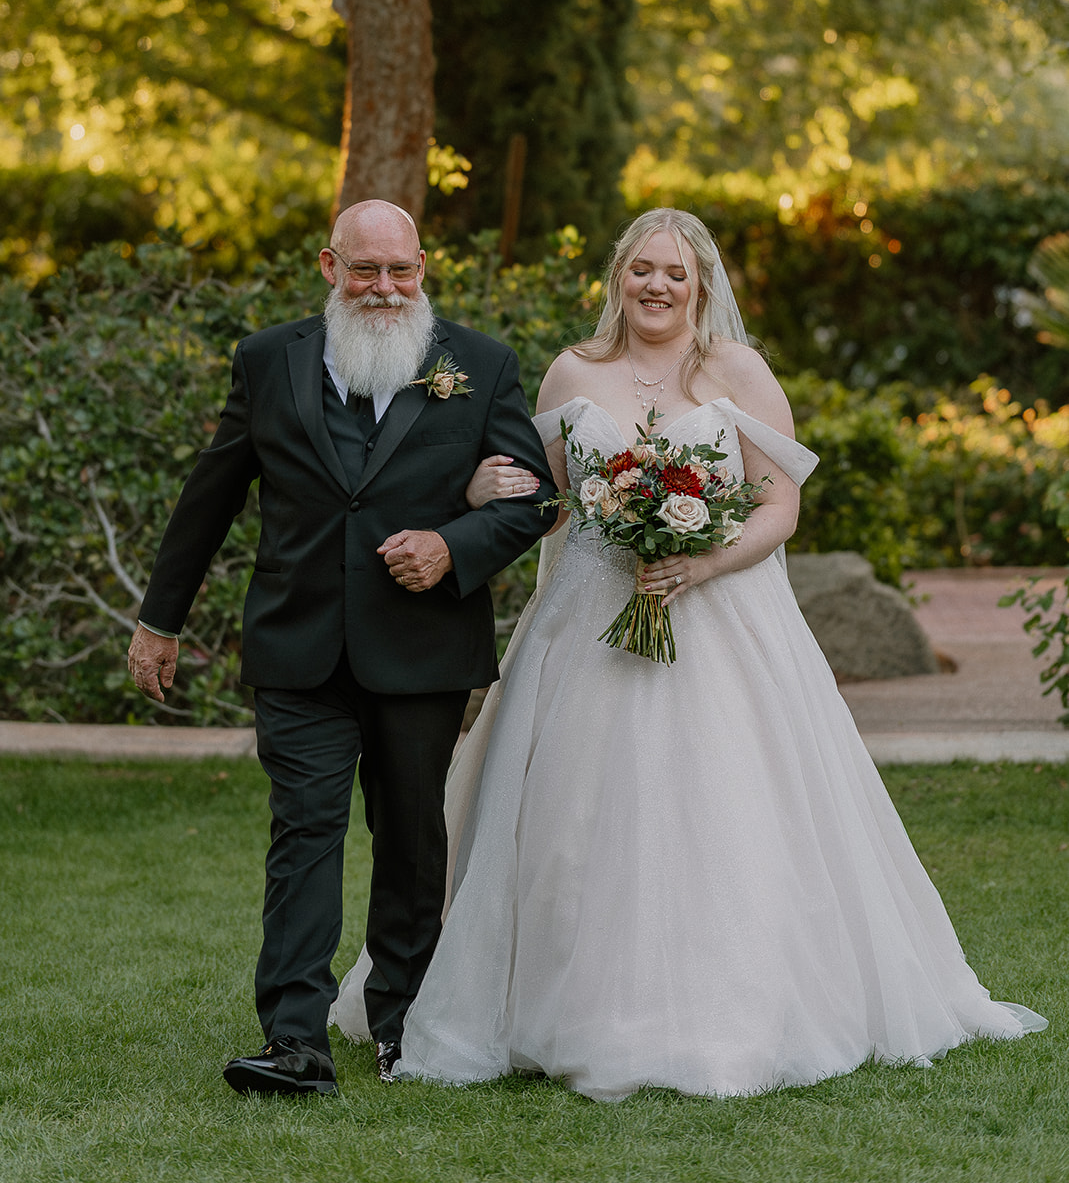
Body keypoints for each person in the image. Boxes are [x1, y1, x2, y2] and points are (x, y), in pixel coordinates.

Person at [332, 206, 1047, 1101]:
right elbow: (541, 497)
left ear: (701, 282)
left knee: (725, 805)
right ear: (616, 279)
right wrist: (480, 486)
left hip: (722, 621)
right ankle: (544, 1001)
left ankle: (729, 1004)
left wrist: (700, 561)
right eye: (640, 270)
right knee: (566, 816)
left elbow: (776, 504)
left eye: (674, 272)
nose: (656, 286)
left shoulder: (737, 371)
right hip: (584, 620)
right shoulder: (569, 372)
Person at [127, 199, 557, 1097]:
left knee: (409, 840)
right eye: (366, 269)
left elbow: (529, 500)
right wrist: (158, 620)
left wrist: (450, 546)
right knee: (303, 837)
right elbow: (209, 497)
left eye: (400, 269)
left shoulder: (478, 364)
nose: (384, 287)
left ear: (423, 267)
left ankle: (402, 1025)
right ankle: (294, 1040)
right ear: (330, 268)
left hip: (423, 649)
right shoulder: (266, 360)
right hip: (298, 646)